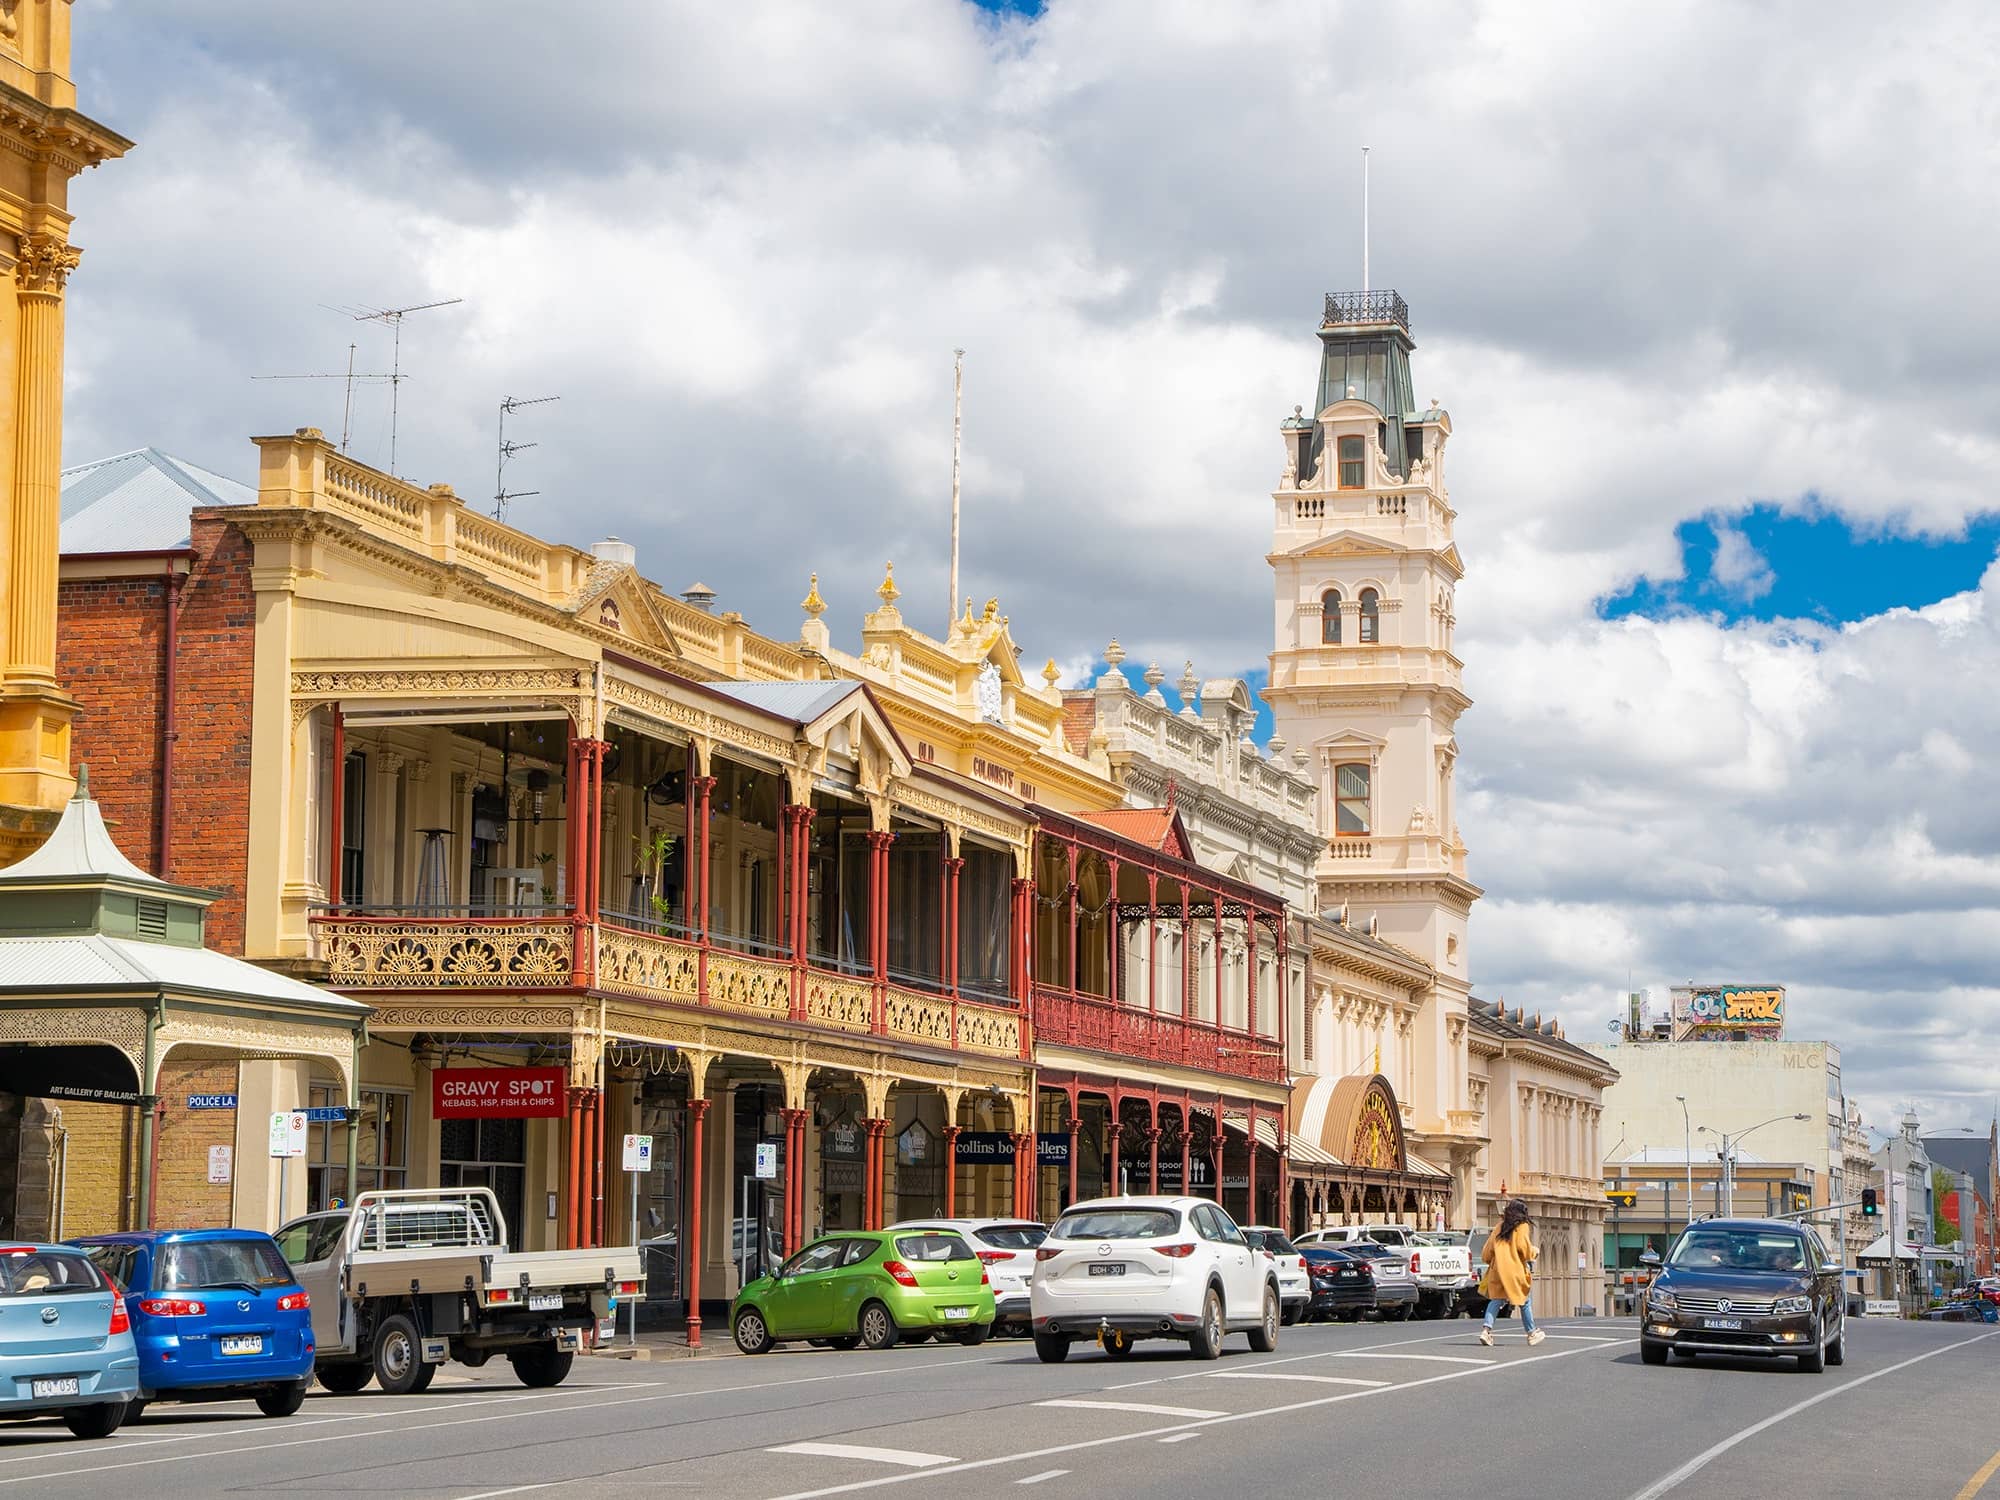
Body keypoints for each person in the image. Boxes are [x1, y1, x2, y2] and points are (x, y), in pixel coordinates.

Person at [1478, 1198, 1544, 1347]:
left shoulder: (1499, 1226)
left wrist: (1493, 1262)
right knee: (1524, 1301)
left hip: (1498, 1271)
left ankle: (1486, 1331)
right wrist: (1534, 1252)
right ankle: (1531, 1333)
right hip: (1514, 1271)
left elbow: (1487, 1252)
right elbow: (1524, 1249)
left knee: (1495, 1300)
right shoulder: (1522, 1227)